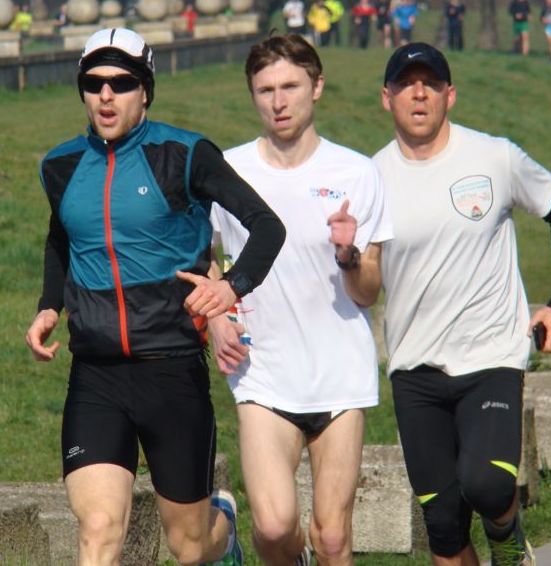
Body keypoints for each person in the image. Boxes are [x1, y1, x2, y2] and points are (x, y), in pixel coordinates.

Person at [25, 27, 286, 566]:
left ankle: (224, 532)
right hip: (96, 374)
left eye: (122, 83)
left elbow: (267, 226)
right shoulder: (60, 165)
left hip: (171, 370)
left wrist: (229, 286)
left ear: (145, 91)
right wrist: (50, 304)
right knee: (98, 530)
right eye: (94, 83)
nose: (106, 95)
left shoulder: (184, 154)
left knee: (190, 546)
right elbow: (61, 237)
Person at [367, 42, 551, 566]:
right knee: (443, 525)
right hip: (414, 365)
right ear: (387, 98)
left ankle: (506, 537)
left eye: (431, 84)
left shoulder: (494, 157)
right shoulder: (370, 177)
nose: (419, 94)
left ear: (451, 95)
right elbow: (360, 273)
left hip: (490, 357)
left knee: (487, 485)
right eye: (406, 84)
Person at [208, 33, 392, 566]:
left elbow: (368, 291)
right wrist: (217, 320)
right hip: (263, 372)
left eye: (290, 86)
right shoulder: (228, 170)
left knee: (333, 538)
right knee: (274, 527)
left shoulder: (356, 172)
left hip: (340, 372)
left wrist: (349, 255)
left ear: (317, 87)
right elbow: (202, 259)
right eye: (265, 90)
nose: (278, 102)